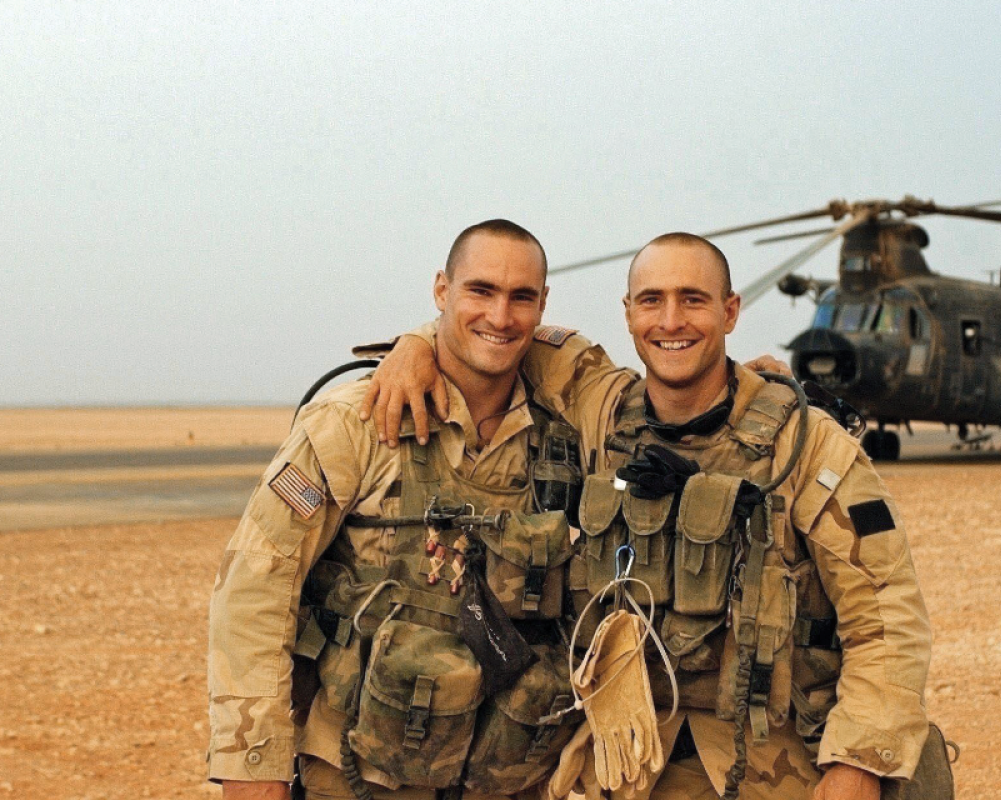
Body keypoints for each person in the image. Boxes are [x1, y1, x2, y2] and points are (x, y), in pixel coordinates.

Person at [361, 233, 939, 800]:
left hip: (771, 760)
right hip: (627, 758)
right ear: (629, 314)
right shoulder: (604, 408)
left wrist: (858, 765)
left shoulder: (806, 445)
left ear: (730, 311)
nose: (671, 321)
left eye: (693, 299)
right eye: (651, 301)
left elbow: (887, 617)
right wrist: (414, 344)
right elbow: (495, 331)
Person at [208, 220, 593, 800]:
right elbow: (256, 589)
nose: (501, 315)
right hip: (360, 772)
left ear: (542, 306)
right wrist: (253, 767)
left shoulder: (564, 434)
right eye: (480, 291)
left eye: (522, 297)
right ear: (442, 291)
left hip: (509, 778)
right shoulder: (354, 422)